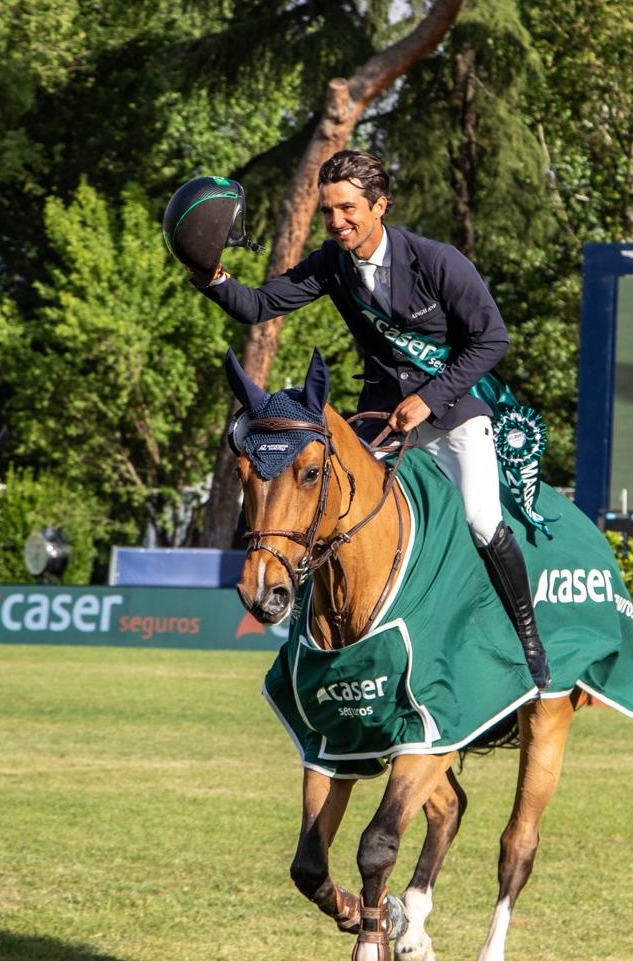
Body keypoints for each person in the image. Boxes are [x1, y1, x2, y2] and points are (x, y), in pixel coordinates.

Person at [190, 150, 549, 688]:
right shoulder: (331, 264)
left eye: (348, 208)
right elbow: (259, 305)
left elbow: (491, 339)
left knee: (479, 518)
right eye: (329, 210)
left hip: (452, 414)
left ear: (380, 205)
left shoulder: (437, 260)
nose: (337, 221)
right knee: (329, 508)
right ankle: (325, 646)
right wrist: (208, 272)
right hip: (381, 419)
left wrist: (429, 398)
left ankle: (528, 642)